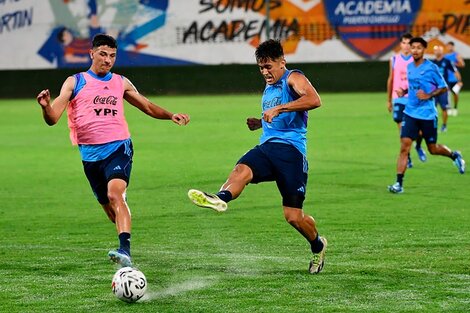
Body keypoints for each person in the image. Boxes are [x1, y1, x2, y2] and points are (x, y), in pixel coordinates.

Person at [36, 34, 190, 267]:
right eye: (103, 54)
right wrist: (46, 107)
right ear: (91, 54)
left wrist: (170, 115)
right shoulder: (74, 81)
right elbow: (53, 118)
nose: (108, 60)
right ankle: (123, 234)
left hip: (119, 147)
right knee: (110, 209)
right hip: (89, 156)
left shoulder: (121, 82)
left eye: (112, 56)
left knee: (115, 194)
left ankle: (124, 251)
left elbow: (146, 105)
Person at [187, 39, 327, 274]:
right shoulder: (269, 87)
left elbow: (314, 100)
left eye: (269, 66)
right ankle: (220, 197)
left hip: (291, 153)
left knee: (293, 217)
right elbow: (275, 119)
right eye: (261, 67)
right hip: (267, 147)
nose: (265, 72)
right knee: (242, 169)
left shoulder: (293, 77)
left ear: (282, 62)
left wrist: (278, 109)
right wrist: (260, 122)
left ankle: (318, 245)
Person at [388, 37, 465, 194]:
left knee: (433, 148)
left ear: (424, 50)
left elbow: (443, 87)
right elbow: (414, 87)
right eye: (413, 47)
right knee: (404, 147)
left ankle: (454, 155)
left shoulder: (431, 68)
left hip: (427, 115)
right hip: (410, 113)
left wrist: (429, 95)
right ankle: (398, 184)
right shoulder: (410, 67)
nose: (415, 50)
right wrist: (405, 91)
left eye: (419, 48)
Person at [386, 33, 427, 167]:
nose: (406, 46)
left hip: (414, 100)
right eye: (403, 43)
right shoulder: (394, 59)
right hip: (398, 99)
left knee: (420, 131)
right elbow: (391, 79)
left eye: (409, 44)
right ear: (400, 44)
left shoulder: (417, 60)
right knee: (403, 131)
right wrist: (388, 100)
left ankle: (418, 146)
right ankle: (407, 156)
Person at [432, 44, 461, 132]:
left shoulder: (447, 61)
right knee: (433, 109)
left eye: (439, 50)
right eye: (436, 50)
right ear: (434, 52)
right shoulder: (432, 63)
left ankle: (444, 125)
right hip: (434, 89)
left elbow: (455, 71)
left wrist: (459, 81)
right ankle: (434, 125)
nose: (438, 52)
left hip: (444, 88)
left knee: (444, 108)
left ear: (442, 51)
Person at [444, 41, 465, 116]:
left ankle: (455, 107)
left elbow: (462, 64)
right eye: (448, 46)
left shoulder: (456, 55)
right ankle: (449, 108)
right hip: (447, 78)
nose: (449, 47)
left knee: (455, 93)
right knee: (447, 93)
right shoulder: (445, 56)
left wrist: (454, 63)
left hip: (455, 78)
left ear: (453, 47)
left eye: (451, 46)